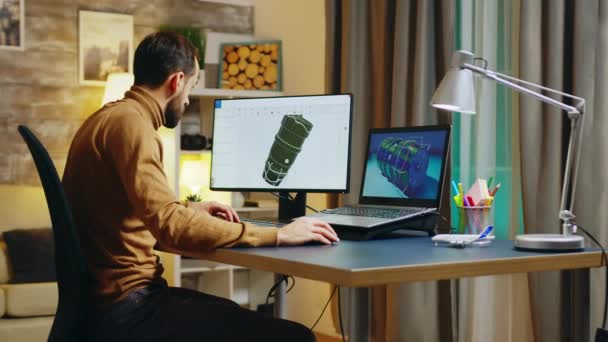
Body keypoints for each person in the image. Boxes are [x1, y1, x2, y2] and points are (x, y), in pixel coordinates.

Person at [62, 31, 339, 342]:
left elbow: (127, 209)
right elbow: (171, 227)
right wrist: (278, 234)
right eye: (191, 87)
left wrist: (192, 209)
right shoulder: (133, 126)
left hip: (106, 304)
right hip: (130, 308)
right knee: (295, 336)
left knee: (229, 310)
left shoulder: (104, 119)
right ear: (177, 81)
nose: (188, 99)